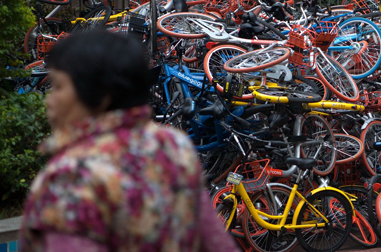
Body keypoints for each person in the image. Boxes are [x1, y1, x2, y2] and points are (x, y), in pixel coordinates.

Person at [19, 30, 239, 252]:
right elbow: (216, 242)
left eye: (58, 87)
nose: (49, 100)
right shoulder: (171, 145)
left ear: (99, 94)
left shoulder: (71, 174)